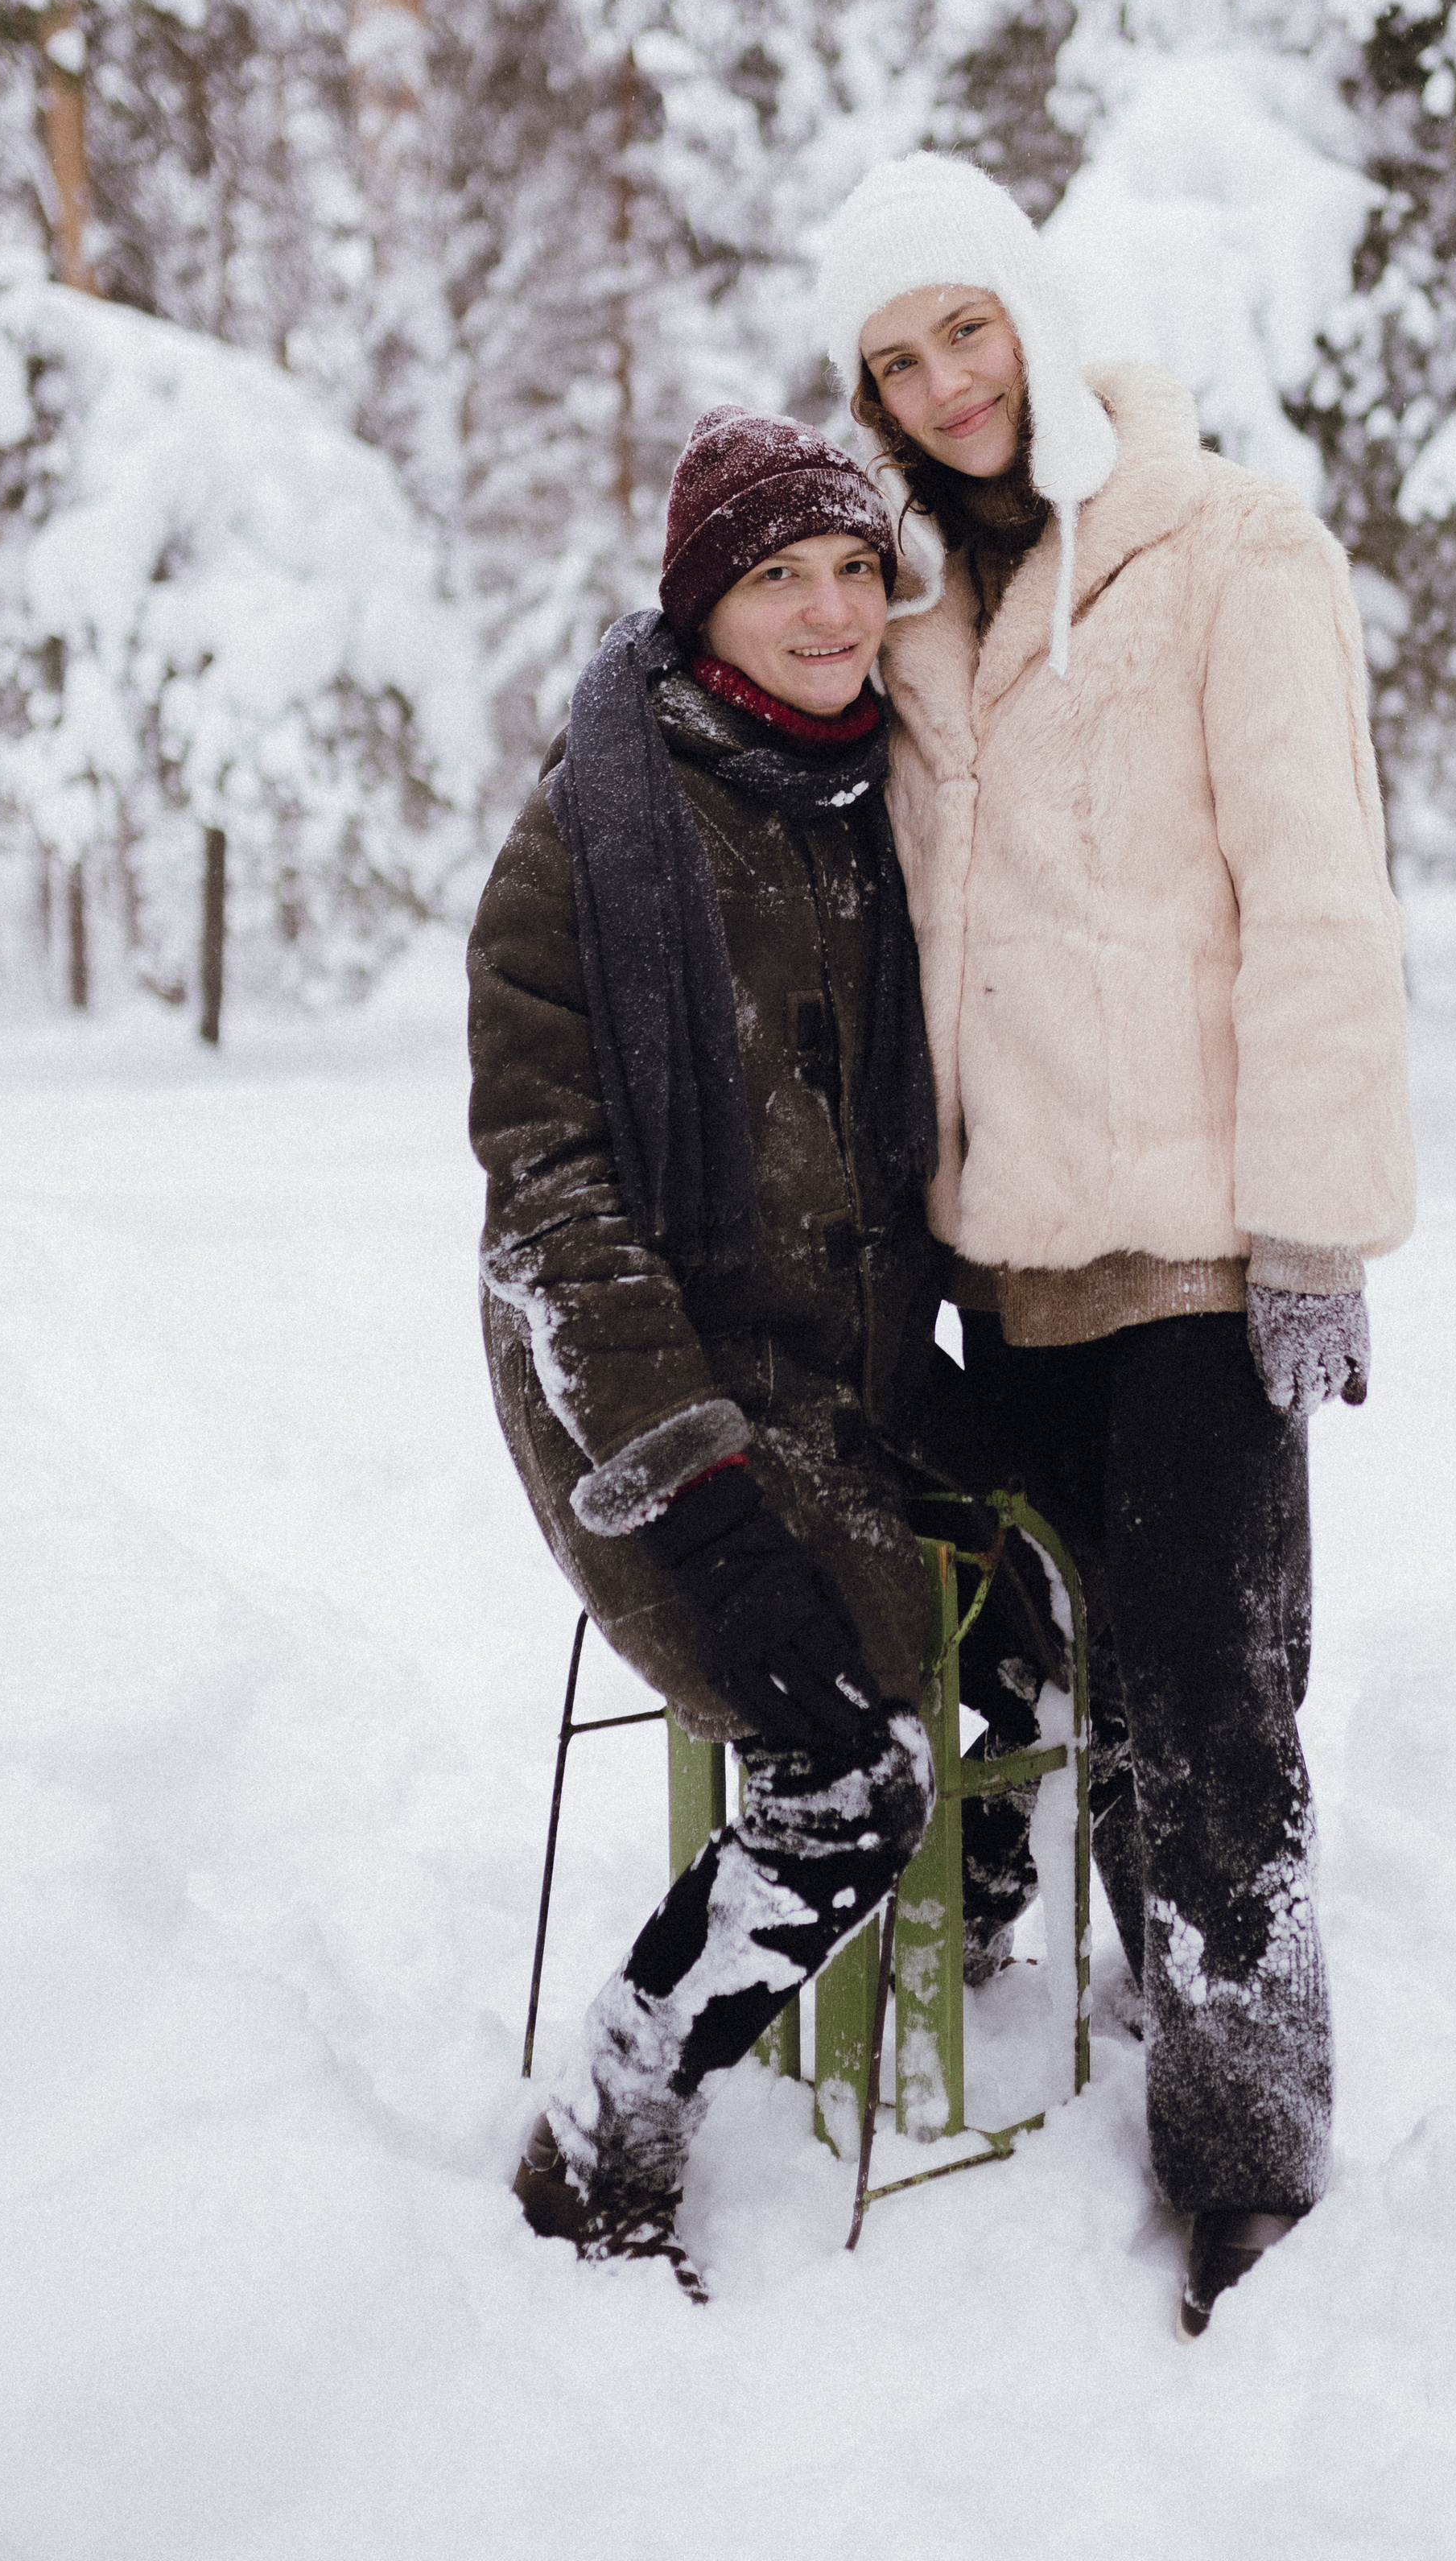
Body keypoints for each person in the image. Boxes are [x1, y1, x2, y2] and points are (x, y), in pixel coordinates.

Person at [814, 151, 1416, 2336]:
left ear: (1035, 318)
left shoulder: (1228, 546)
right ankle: (1149, 2009)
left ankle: (1247, 2157)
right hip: (1010, 1270)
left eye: (963, 328)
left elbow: (1319, 897)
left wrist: (1314, 1228)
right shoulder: (911, 615)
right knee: (1090, 1695)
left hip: (1196, 1257)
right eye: (894, 361)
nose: (941, 386)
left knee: (1211, 1700)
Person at [468, 410, 966, 2295]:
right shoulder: (590, 840)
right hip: (636, 1391)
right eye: (779, 577)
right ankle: (604, 2140)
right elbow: (551, 1204)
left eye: (855, 570)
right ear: (701, 605)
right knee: (847, 1777)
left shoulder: (884, 803)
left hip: (849, 1375)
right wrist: (701, 1499)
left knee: (1047, 1627)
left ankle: (970, 1962)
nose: (831, 612)